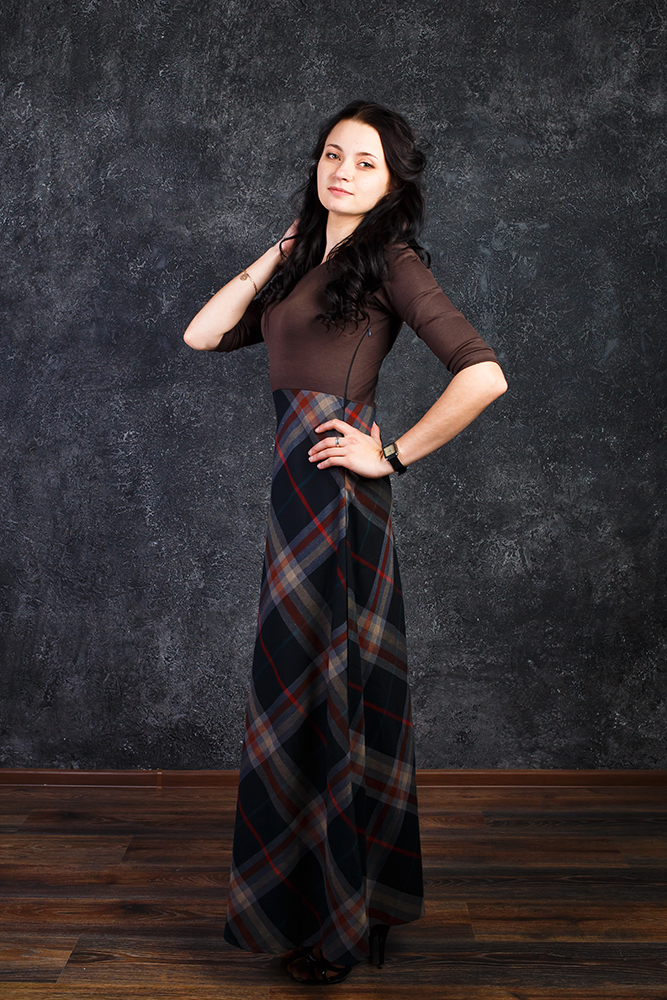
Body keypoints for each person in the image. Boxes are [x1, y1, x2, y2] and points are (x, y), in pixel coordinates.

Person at [184, 100, 507, 985]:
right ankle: (327, 904)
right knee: (297, 695)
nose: (343, 172)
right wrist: (277, 252)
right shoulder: (300, 268)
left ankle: (342, 919)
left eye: (366, 162)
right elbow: (202, 333)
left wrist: (388, 454)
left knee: (333, 695)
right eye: (333, 154)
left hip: (335, 501)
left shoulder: (391, 262)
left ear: (393, 181)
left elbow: (483, 374)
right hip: (291, 501)